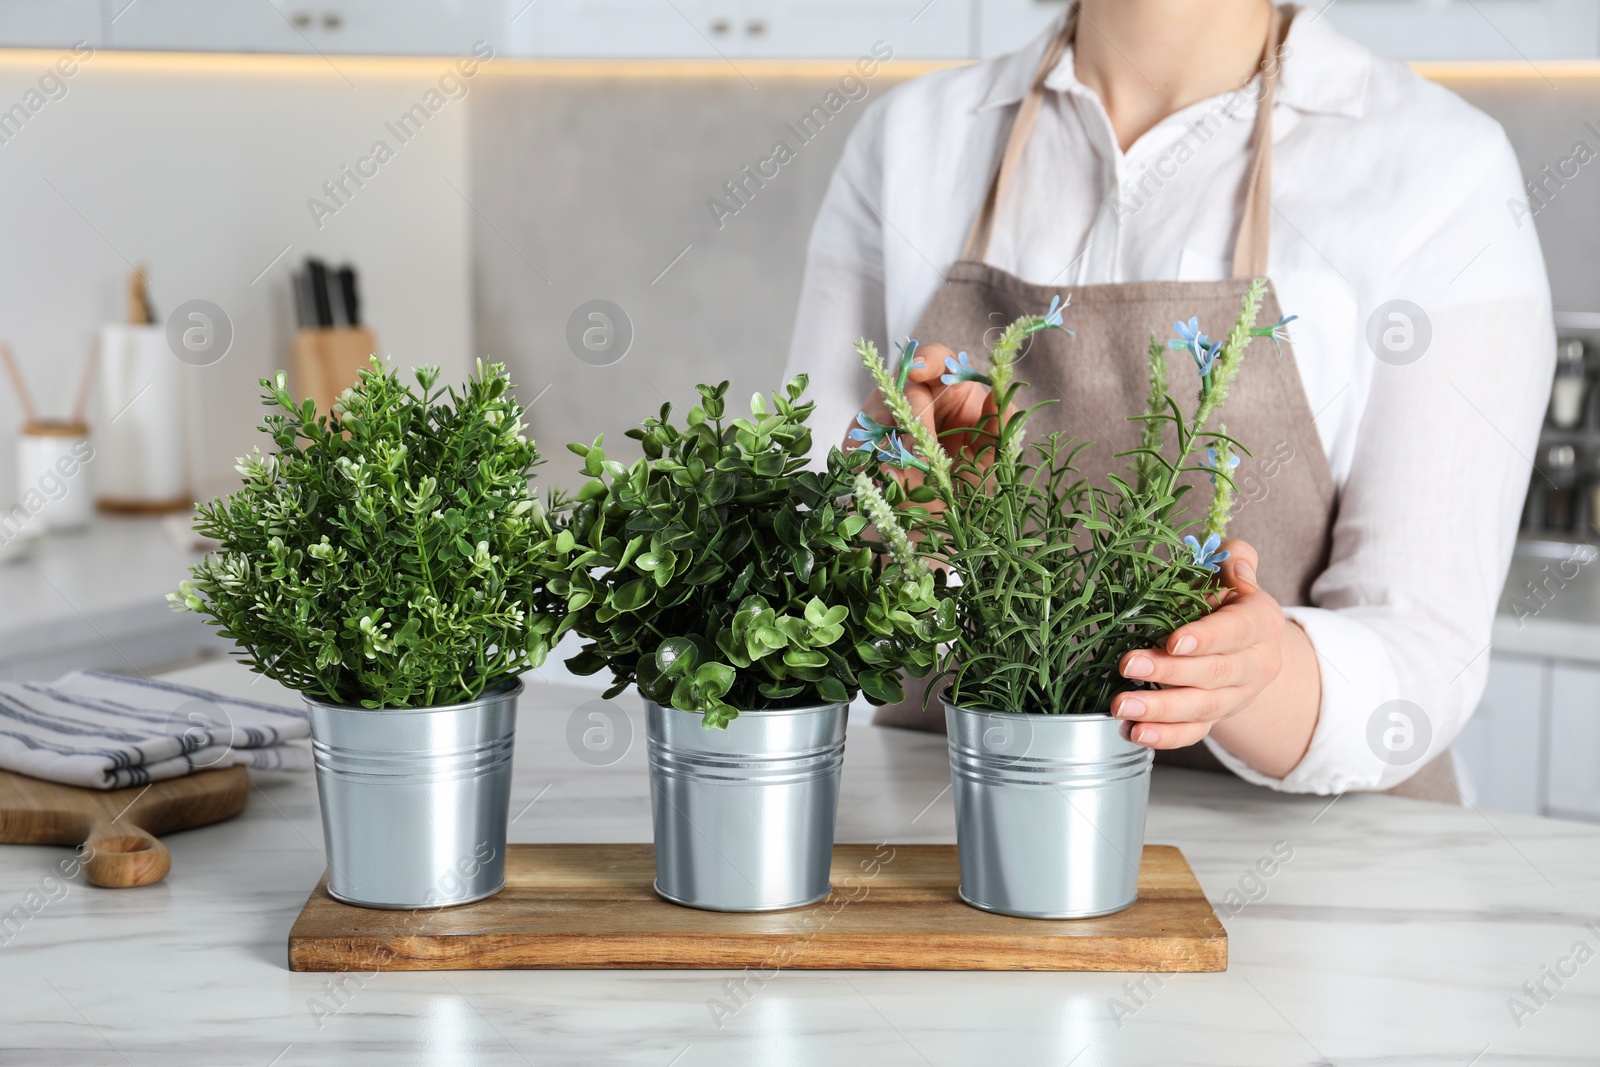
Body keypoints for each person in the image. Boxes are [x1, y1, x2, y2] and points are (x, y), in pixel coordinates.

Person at [783, 0, 1553, 799]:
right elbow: (796, 556)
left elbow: (1423, 652)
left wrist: (1255, 673)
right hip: (958, 836)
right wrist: (880, 511)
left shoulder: (1439, 166)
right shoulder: (912, 141)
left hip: (1312, 875)